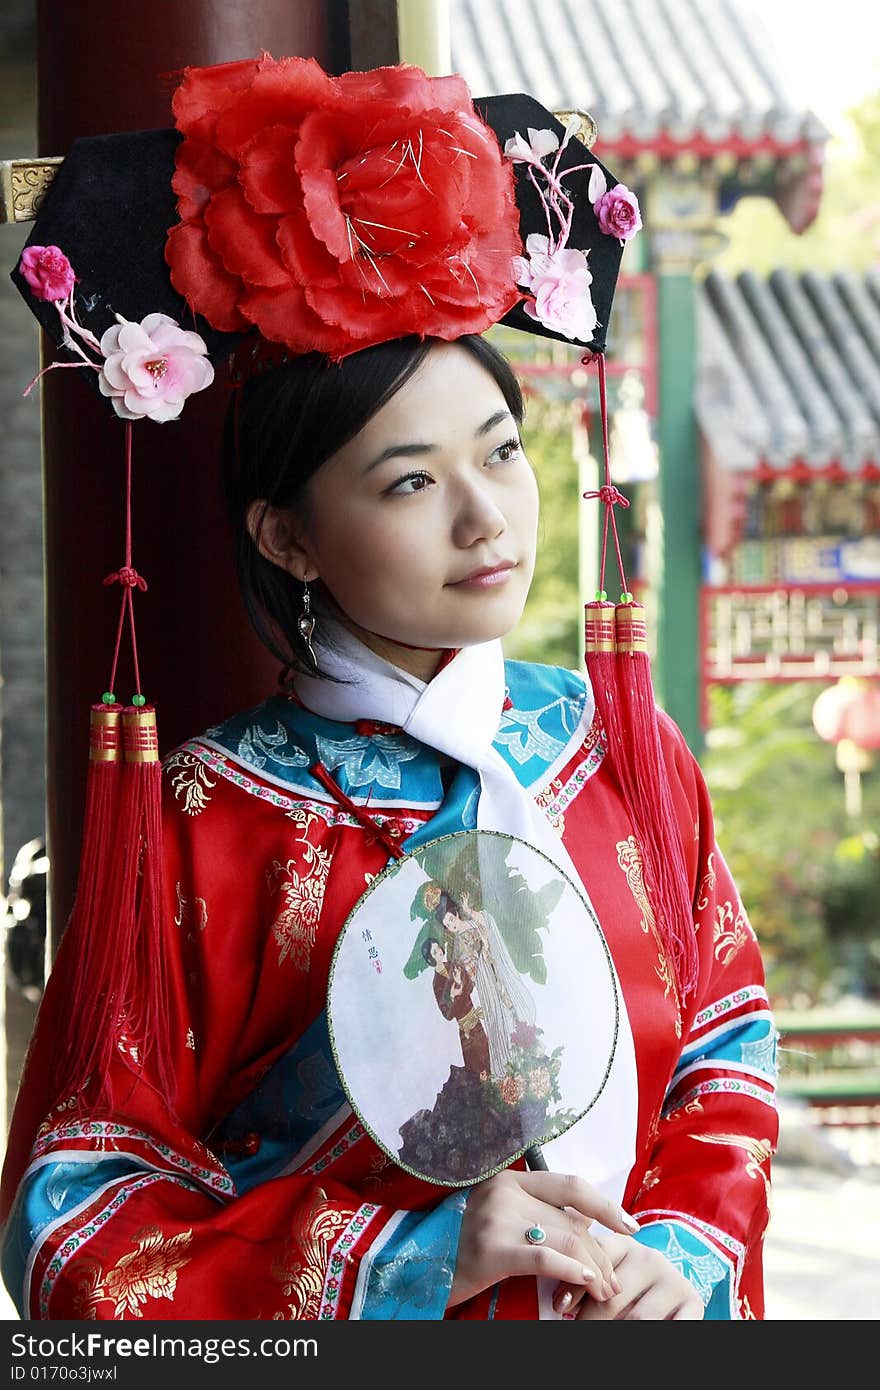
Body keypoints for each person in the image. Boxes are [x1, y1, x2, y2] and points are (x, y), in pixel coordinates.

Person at [0, 53, 777, 1321]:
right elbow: (75, 1213)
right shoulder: (207, 818)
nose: (487, 518)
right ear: (287, 536)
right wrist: (407, 1260)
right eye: (411, 482)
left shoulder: (606, 749)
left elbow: (726, 1040)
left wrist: (682, 1252)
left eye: (503, 453)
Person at [422, 936, 491, 1081]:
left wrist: (460, 983)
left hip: (476, 1021)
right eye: (434, 953)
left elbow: (470, 987)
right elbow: (447, 1014)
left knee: (488, 1058)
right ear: (430, 960)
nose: (439, 953)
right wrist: (452, 996)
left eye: (438, 949)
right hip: (465, 1029)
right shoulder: (437, 984)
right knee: (475, 1069)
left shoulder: (454, 965)